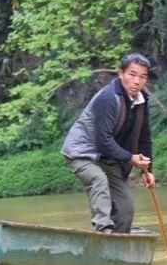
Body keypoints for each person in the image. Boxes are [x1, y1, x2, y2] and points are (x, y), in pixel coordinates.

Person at [62, 51, 156, 233]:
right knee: (98, 180)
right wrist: (131, 158)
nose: (137, 81)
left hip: (107, 155)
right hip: (81, 152)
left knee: (125, 207)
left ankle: (119, 243)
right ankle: (103, 232)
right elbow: (103, 140)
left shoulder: (141, 100)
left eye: (142, 77)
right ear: (121, 74)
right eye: (132, 74)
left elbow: (144, 138)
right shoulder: (108, 98)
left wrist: (148, 171)